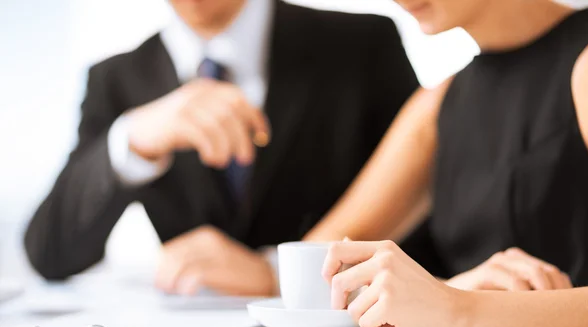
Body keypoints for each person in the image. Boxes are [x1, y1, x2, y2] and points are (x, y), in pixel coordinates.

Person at [24, 0, 419, 296]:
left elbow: (430, 211)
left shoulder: (363, 45)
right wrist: (131, 139)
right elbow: (49, 252)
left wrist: (274, 272)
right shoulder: (115, 80)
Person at [306, 0, 588, 327]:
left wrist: (460, 309)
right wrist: (450, 290)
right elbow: (318, 263)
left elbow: (455, 309)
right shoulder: (439, 102)